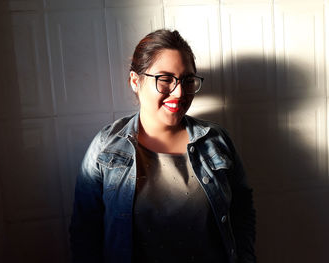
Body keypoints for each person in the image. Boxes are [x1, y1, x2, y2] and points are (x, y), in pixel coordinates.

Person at [69, 29, 256, 263]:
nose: (179, 92)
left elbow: (242, 212)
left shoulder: (216, 140)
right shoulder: (106, 147)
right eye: (165, 79)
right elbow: (85, 231)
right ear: (135, 81)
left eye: (187, 80)